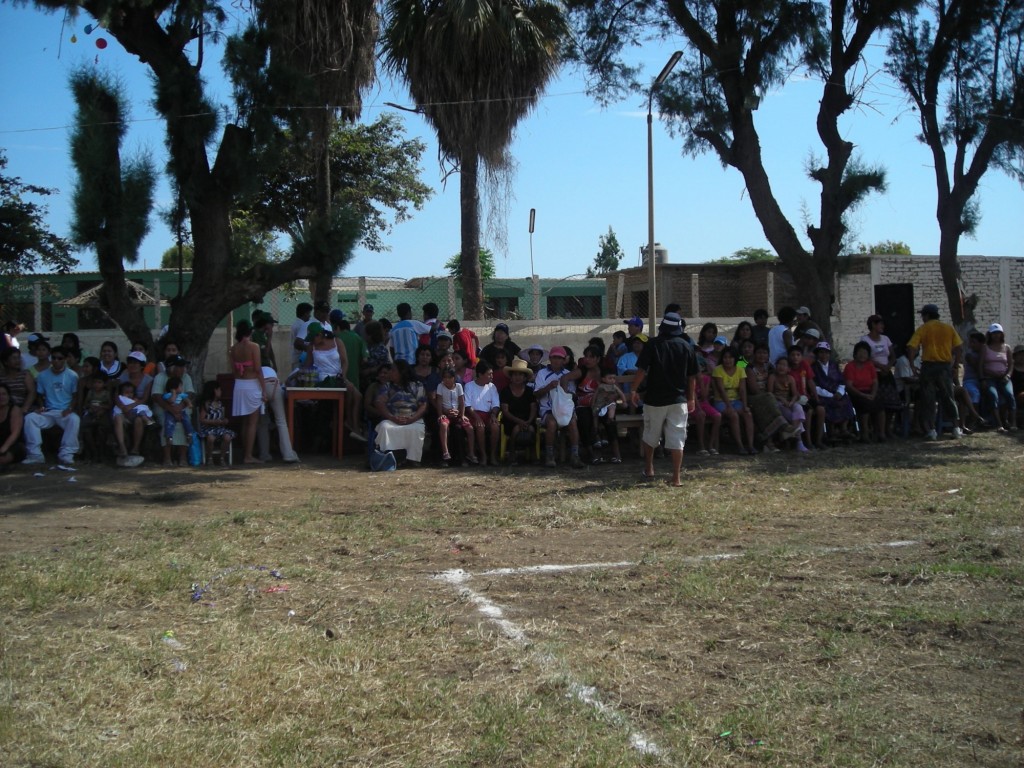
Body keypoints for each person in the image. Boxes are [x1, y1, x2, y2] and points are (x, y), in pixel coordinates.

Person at [630, 312, 697, 486]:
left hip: (655, 399)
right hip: (679, 399)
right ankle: (676, 478)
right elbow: (691, 377)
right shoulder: (686, 346)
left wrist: (633, 390)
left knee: (651, 435)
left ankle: (649, 468)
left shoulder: (652, 344)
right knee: (677, 438)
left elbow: (642, 370)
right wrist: (691, 398)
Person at [905, 303, 962, 440]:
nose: (922, 318)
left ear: (927, 315)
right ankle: (956, 428)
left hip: (929, 367)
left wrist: (912, 364)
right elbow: (959, 347)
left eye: (923, 315)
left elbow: (912, 347)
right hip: (944, 366)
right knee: (949, 396)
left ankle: (931, 430)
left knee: (928, 398)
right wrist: (955, 366)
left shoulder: (923, 329)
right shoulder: (948, 328)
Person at [23, 346, 80, 465]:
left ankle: (66, 454)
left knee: (74, 419)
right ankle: (35, 455)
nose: (56, 361)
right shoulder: (43, 375)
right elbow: (39, 395)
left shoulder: (72, 375)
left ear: (65, 359)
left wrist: (70, 408)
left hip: (64, 412)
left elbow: (75, 396)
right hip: (48, 411)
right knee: (30, 418)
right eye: (53, 358)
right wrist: (41, 406)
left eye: (60, 358)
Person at [533, 345, 585, 469]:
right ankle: (550, 456)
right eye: (554, 357)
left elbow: (572, 394)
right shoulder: (542, 373)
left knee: (572, 422)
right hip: (548, 409)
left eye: (559, 358)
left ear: (564, 360)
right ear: (550, 358)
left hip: (564, 409)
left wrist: (563, 390)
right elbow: (536, 394)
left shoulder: (567, 374)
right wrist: (549, 387)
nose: (557, 360)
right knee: (551, 423)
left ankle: (575, 455)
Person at [374, 359, 428, 464]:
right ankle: (387, 457)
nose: (390, 372)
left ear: (401, 372)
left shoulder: (417, 385)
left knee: (416, 429)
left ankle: (412, 459)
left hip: (413, 418)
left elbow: (423, 405)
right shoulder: (387, 386)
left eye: (393, 370)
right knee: (385, 427)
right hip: (392, 418)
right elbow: (379, 403)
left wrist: (412, 418)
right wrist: (391, 417)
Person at [230, 320, 268, 463]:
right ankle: (248, 455)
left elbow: (233, 371)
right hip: (252, 384)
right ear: (250, 332)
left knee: (244, 422)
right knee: (252, 422)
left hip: (239, 385)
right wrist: (264, 390)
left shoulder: (234, 349)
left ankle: (246, 453)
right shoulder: (254, 346)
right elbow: (258, 369)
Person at [576, 346, 622, 464]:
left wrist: (613, 397)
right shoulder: (581, 371)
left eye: (591, 357)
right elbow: (565, 378)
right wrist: (568, 393)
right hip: (584, 406)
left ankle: (617, 454)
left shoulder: (605, 371)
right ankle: (593, 455)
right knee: (584, 419)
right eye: (586, 356)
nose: (587, 359)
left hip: (603, 405)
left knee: (610, 420)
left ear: (598, 359)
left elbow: (617, 389)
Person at [713, 346, 757, 455]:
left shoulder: (740, 369)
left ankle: (751, 445)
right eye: (725, 357)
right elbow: (721, 390)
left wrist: (745, 405)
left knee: (748, 414)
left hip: (736, 400)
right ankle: (740, 446)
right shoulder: (717, 370)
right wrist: (728, 406)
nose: (728, 360)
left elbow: (742, 390)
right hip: (721, 401)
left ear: (735, 359)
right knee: (734, 415)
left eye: (731, 358)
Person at [113, 351, 155, 462]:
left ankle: (135, 448)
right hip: (123, 409)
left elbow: (145, 398)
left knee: (138, 420)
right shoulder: (123, 376)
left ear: (142, 365)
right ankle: (122, 447)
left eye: (136, 363)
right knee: (117, 417)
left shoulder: (148, 380)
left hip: (137, 408)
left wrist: (131, 406)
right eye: (130, 362)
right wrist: (122, 406)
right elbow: (116, 395)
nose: (132, 365)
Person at [811, 341, 856, 441]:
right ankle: (831, 431)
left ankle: (843, 429)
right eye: (821, 352)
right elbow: (814, 386)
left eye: (826, 352)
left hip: (837, 393)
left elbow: (841, 381)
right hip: (823, 395)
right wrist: (830, 395)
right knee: (828, 404)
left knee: (846, 400)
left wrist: (840, 392)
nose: (824, 355)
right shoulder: (813, 367)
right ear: (817, 354)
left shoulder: (833, 365)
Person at [256, 366, 301, 463]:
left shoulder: (258, 367)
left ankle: (264, 454)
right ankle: (288, 454)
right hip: (274, 384)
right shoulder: (270, 369)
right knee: (281, 421)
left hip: (259, 384)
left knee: (262, 422)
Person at [434, 366, 477, 467]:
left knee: (470, 428)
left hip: (457, 414)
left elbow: (462, 402)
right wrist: (441, 414)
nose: (447, 380)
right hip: (446, 413)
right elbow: (439, 401)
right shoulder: (440, 386)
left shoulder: (458, 386)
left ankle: (471, 453)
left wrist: (461, 414)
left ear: (454, 378)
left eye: (449, 377)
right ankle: (445, 452)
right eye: (444, 377)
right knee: (443, 425)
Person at [844, 341, 886, 442]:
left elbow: (875, 382)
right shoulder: (850, 366)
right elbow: (849, 385)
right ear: (855, 354)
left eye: (865, 353)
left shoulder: (870, 365)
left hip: (869, 391)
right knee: (864, 406)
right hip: (856, 393)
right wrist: (862, 395)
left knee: (880, 405)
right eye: (860, 352)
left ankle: (881, 433)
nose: (862, 355)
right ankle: (864, 434)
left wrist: (873, 394)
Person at [464, 360, 502, 466]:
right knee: (480, 427)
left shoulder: (492, 387)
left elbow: (496, 405)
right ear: (480, 374)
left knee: (495, 427)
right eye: (489, 374)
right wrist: (477, 417)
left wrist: (494, 415)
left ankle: (493, 455)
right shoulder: (469, 386)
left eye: (492, 374)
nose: (491, 376)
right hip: (473, 414)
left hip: (488, 414)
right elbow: (467, 405)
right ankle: (483, 455)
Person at [499, 358, 537, 465]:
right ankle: (512, 454)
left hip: (527, 419)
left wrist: (529, 421)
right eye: (515, 375)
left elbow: (533, 408)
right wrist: (518, 421)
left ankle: (533, 455)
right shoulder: (505, 391)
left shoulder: (530, 391)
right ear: (511, 376)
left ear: (525, 377)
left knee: (531, 429)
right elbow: (505, 411)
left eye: (520, 375)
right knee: (515, 429)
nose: (517, 377)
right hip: (511, 419)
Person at [768, 356, 807, 452]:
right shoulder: (772, 377)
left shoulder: (790, 378)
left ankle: (792, 431)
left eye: (784, 365)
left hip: (788, 402)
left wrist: (791, 402)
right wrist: (781, 399)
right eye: (779, 364)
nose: (781, 367)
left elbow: (795, 394)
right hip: (776, 402)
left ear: (789, 368)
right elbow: (769, 393)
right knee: (792, 415)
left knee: (798, 407)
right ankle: (799, 441)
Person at [198, 380, 235, 466]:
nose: (221, 392)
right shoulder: (206, 404)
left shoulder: (219, 404)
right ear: (214, 390)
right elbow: (202, 419)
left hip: (219, 428)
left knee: (227, 437)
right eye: (219, 390)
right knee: (211, 438)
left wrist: (224, 421)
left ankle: (222, 458)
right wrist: (213, 422)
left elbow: (222, 417)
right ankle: (210, 458)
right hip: (208, 428)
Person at [160, 375, 196, 465]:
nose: (182, 388)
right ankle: (169, 437)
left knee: (187, 421)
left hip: (182, 413)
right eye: (180, 386)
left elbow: (186, 399)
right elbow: (171, 401)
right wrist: (173, 393)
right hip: (170, 413)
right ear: (174, 388)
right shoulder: (167, 395)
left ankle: (189, 434)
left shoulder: (182, 394)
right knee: (169, 423)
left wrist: (189, 404)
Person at [80, 372, 112, 462]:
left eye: (99, 382)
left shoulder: (106, 393)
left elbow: (110, 405)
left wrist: (101, 407)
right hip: (91, 412)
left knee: (101, 430)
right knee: (86, 430)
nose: (96, 385)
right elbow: (85, 403)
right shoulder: (91, 392)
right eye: (95, 382)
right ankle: (91, 452)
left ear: (104, 384)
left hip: (103, 413)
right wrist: (90, 407)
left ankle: (101, 453)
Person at [0, 382, 26, 468]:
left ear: (8, 396)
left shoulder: (15, 410)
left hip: (13, 445)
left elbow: (15, 433)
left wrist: (3, 449)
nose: (2, 397)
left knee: (2, 458)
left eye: (4, 394)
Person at [290, 302, 314, 369]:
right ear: (305, 313)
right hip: (300, 358)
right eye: (309, 313)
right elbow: (300, 343)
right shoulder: (302, 325)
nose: (310, 316)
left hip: (296, 357)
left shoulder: (296, 323)